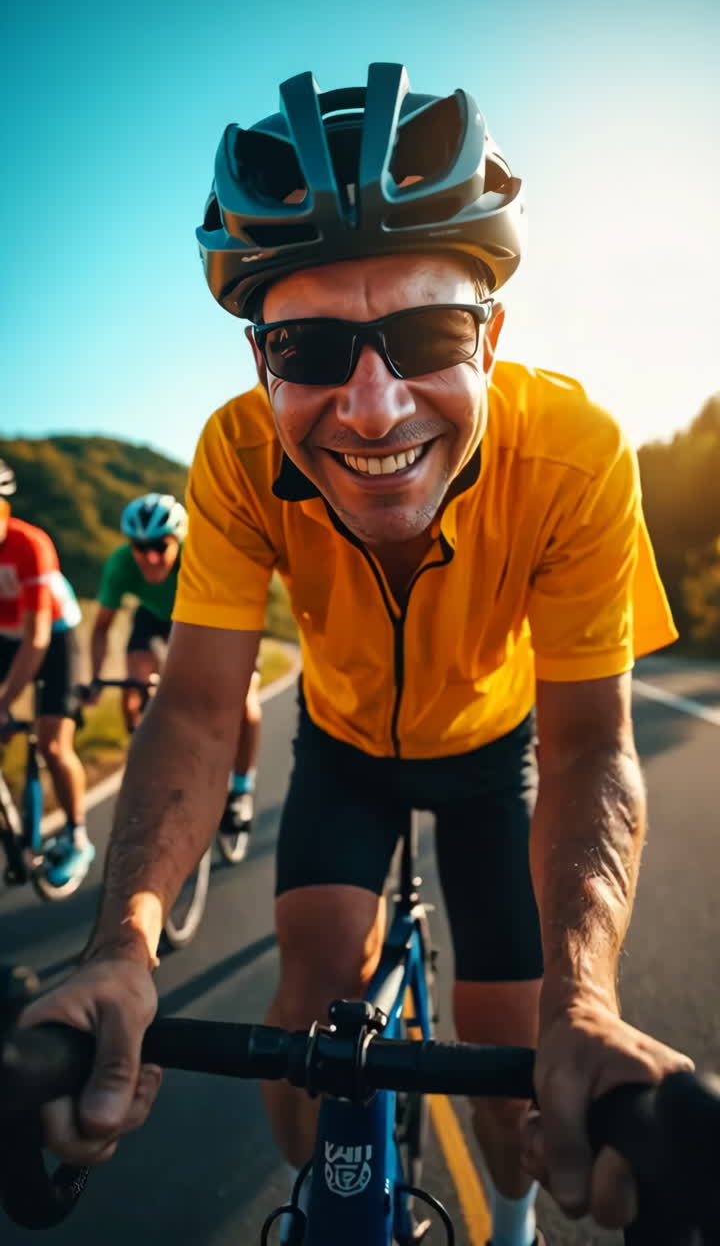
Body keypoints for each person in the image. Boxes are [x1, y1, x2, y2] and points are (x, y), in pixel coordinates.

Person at [22, 64, 692, 1243]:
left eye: (427, 333)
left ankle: (518, 1219)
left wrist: (583, 998)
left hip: (496, 756)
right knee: (310, 999)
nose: (373, 407)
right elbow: (190, 705)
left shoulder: (578, 454)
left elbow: (592, 738)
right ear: (259, 362)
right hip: (340, 746)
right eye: (313, 348)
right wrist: (124, 942)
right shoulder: (233, 456)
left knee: (515, 1055)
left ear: (492, 331)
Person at [88, 492, 261, 834]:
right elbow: (101, 627)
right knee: (134, 688)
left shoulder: (202, 558)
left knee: (246, 704)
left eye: (159, 547)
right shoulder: (121, 563)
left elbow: (236, 616)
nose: (149, 558)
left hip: (213, 616)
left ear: (178, 543)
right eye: (140, 548)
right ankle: (148, 764)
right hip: (153, 618)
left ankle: (241, 789)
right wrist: (94, 679)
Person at [0, 459, 94, 887]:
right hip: (4, 635)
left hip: (54, 635)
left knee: (54, 743)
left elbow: (36, 638)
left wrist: (3, 704)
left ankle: (77, 837)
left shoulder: (30, 544)